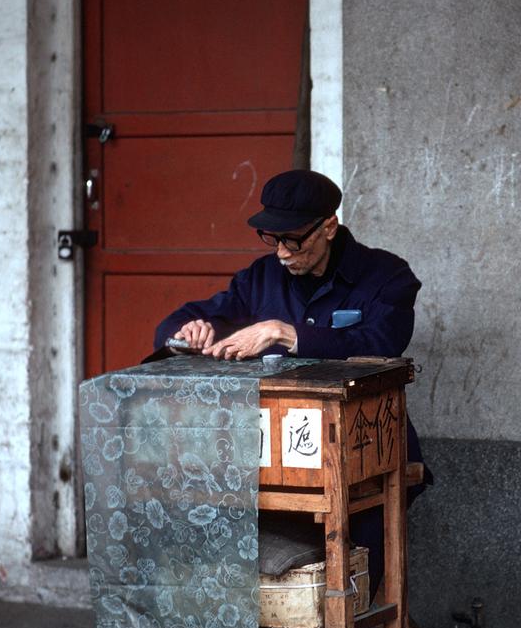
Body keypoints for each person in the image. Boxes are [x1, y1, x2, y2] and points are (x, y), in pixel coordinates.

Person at [154, 169, 427, 597]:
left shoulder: (386, 276)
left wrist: (286, 333)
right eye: (272, 239)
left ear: (329, 227)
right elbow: (190, 316)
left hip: (366, 449)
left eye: (294, 240)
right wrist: (187, 332)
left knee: (356, 557)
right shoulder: (260, 278)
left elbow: (383, 342)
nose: (282, 252)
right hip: (279, 456)